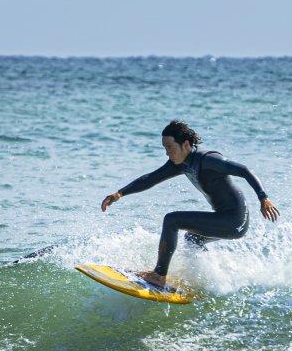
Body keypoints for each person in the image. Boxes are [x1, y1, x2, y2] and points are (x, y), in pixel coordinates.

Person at [100, 120, 279, 287]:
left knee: (172, 220)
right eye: (165, 148)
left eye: (169, 147)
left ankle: (158, 275)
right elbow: (151, 178)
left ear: (186, 144)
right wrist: (119, 193)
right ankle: (205, 280)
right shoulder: (180, 163)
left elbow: (244, 170)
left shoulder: (208, 160)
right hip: (227, 219)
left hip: (234, 221)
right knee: (192, 239)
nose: (167, 153)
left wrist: (263, 198)